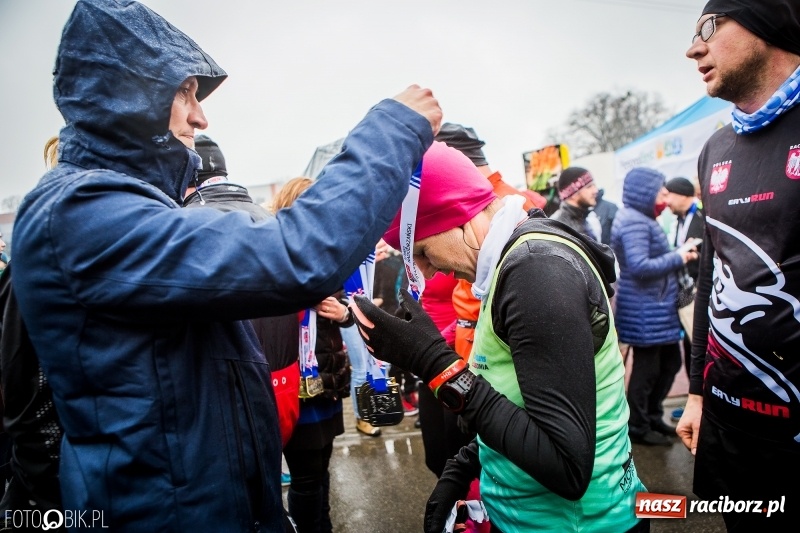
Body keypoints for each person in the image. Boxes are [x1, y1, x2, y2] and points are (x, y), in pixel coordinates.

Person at [10, 0, 441, 530]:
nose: (201, 116)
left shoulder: (123, 206)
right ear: (128, 95)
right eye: (184, 92)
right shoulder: (83, 212)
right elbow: (297, 255)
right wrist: (393, 129)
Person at [351, 141, 647, 533]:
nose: (428, 270)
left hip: (581, 523)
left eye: (421, 250)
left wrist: (435, 363)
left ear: (461, 217)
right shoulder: (509, 260)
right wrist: (462, 467)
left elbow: (567, 467)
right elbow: (523, 404)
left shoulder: (536, 273)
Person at [680, 1, 800, 530]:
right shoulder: (716, 147)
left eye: (709, 27)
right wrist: (699, 393)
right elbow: (713, 271)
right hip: (729, 423)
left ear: (767, 22)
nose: (693, 48)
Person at [271, 177, 353, 533]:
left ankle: (324, 526)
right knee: (305, 478)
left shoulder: (330, 250)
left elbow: (353, 302)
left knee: (322, 469)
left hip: (328, 382)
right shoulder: (274, 254)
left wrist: (343, 311)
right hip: (294, 381)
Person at [611, 167, 697, 447]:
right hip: (645, 310)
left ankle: (651, 415)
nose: (664, 195)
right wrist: (679, 257)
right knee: (647, 371)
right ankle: (638, 424)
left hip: (654, 309)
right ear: (644, 191)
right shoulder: (636, 221)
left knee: (669, 364)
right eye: (660, 189)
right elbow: (639, 266)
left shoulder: (641, 217)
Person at [550, 166, 599, 240]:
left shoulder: (583, 218)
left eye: (594, 185)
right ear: (573, 194)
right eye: (589, 187)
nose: (595, 191)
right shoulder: (561, 228)